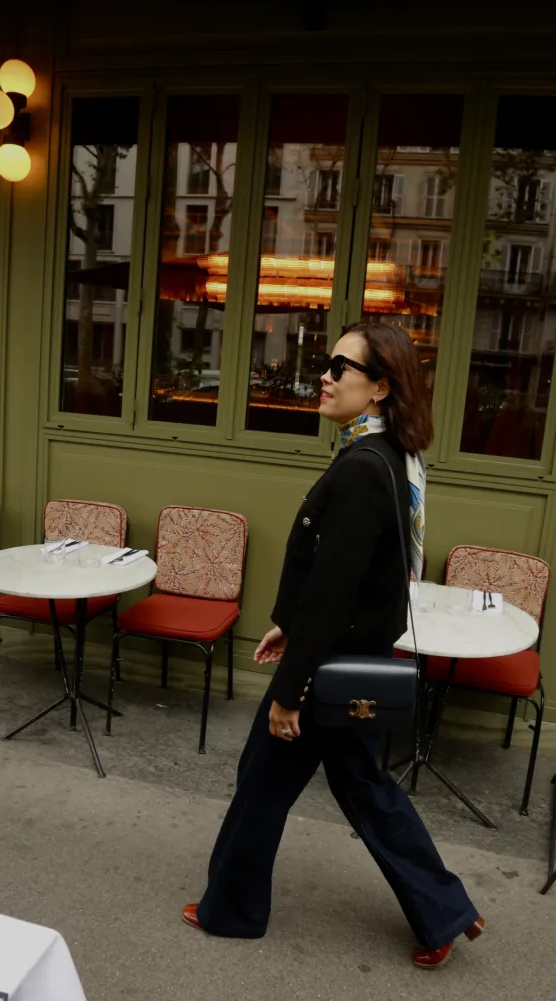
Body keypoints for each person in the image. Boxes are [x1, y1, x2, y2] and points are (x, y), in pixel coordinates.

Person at [182, 322, 484, 970]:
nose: (323, 375)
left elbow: (333, 589)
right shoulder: (387, 455)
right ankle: (444, 912)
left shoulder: (363, 468)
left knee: (263, 784)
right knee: (363, 787)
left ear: (379, 388)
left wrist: (290, 690)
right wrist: (291, 625)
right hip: (351, 657)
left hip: (327, 667)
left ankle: (231, 910)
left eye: (340, 367)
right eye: (327, 362)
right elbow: (354, 578)